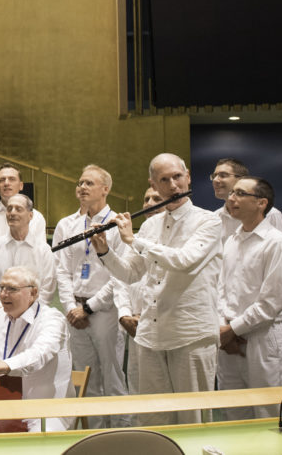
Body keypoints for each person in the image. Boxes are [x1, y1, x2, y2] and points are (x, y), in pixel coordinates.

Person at [93, 153, 221, 426]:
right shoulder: (151, 224)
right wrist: (104, 250)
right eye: (165, 180)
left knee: (192, 418)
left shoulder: (208, 221)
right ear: (154, 184)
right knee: (154, 417)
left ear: (187, 177)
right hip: (151, 335)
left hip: (190, 333)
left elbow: (185, 261)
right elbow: (130, 273)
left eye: (177, 177)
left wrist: (134, 240)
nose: (173, 185)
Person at [52, 165, 129, 428]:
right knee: (86, 377)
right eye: (80, 182)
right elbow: (61, 270)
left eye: (89, 183)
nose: (82, 187)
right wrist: (72, 307)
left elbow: (120, 275)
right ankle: (95, 436)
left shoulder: (118, 224)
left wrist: (90, 308)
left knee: (112, 376)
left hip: (105, 310)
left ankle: (121, 434)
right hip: (75, 311)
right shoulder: (67, 224)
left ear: (105, 189)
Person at [0, 266, 75, 432]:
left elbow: (38, 356)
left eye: (12, 289)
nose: (4, 294)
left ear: (33, 293)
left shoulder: (52, 319)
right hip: (6, 406)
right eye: (2, 288)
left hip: (47, 410)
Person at [216, 176, 282, 420]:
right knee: (235, 413)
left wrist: (232, 330)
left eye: (240, 193)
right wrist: (223, 327)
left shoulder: (276, 243)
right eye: (232, 193)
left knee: (269, 414)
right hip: (228, 340)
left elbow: (271, 302)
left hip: (262, 338)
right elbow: (220, 289)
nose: (232, 198)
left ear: (261, 203)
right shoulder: (231, 240)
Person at [0, 163, 47, 349]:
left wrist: (25, 300)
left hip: (27, 302)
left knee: (24, 353)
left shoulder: (36, 218)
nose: (6, 183)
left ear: (21, 185)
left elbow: (40, 260)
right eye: (1, 180)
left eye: (11, 179)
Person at [0, 193, 57, 339]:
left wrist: (26, 312)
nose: (12, 213)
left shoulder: (43, 250)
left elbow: (47, 288)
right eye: (9, 209)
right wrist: (1, 309)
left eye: (18, 209)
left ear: (31, 216)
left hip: (32, 320)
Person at [121, 187, 161, 394]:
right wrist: (124, 314)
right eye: (146, 199)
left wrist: (145, 315)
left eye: (156, 198)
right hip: (135, 326)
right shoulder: (133, 238)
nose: (149, 203)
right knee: (136, 389)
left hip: (161, 327)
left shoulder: (176, 241)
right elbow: (120, 279)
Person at [209, 158, 282, 242]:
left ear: (241, 179)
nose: (215, 180)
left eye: (223, 175)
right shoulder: (214, 217)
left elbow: (281, 247)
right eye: (214, 176)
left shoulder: (271, 214)